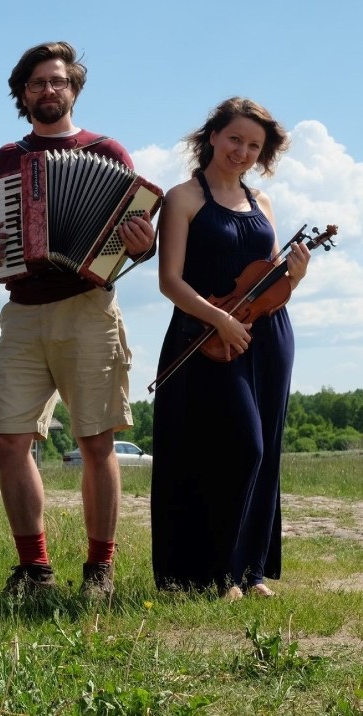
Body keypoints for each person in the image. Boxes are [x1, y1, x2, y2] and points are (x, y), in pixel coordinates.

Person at [0, 41, 156, 600]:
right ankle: (36, 570)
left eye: (58, 81)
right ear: (23, 94)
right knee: (7, 441)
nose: (49, 90)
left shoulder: (109, 151)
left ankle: (100, 570)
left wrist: (145, 243)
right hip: (22, 312)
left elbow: (134, 238)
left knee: (97, 442)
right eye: (38, 82)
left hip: (89, 307)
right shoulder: (8, 158)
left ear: (74, 89)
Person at [151, 97, 310, 600]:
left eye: (254, 146)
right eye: (235, 138)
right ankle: (213, 571)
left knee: (267, 452)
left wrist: (296, 277)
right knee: (240, 447)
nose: (242, 151)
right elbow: (169, 281)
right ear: (213, 136)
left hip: (267, 333)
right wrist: (219, 319)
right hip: (204, 333)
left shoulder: (262, 204)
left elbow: (266, 283)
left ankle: (250, 571)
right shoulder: (183, 199)